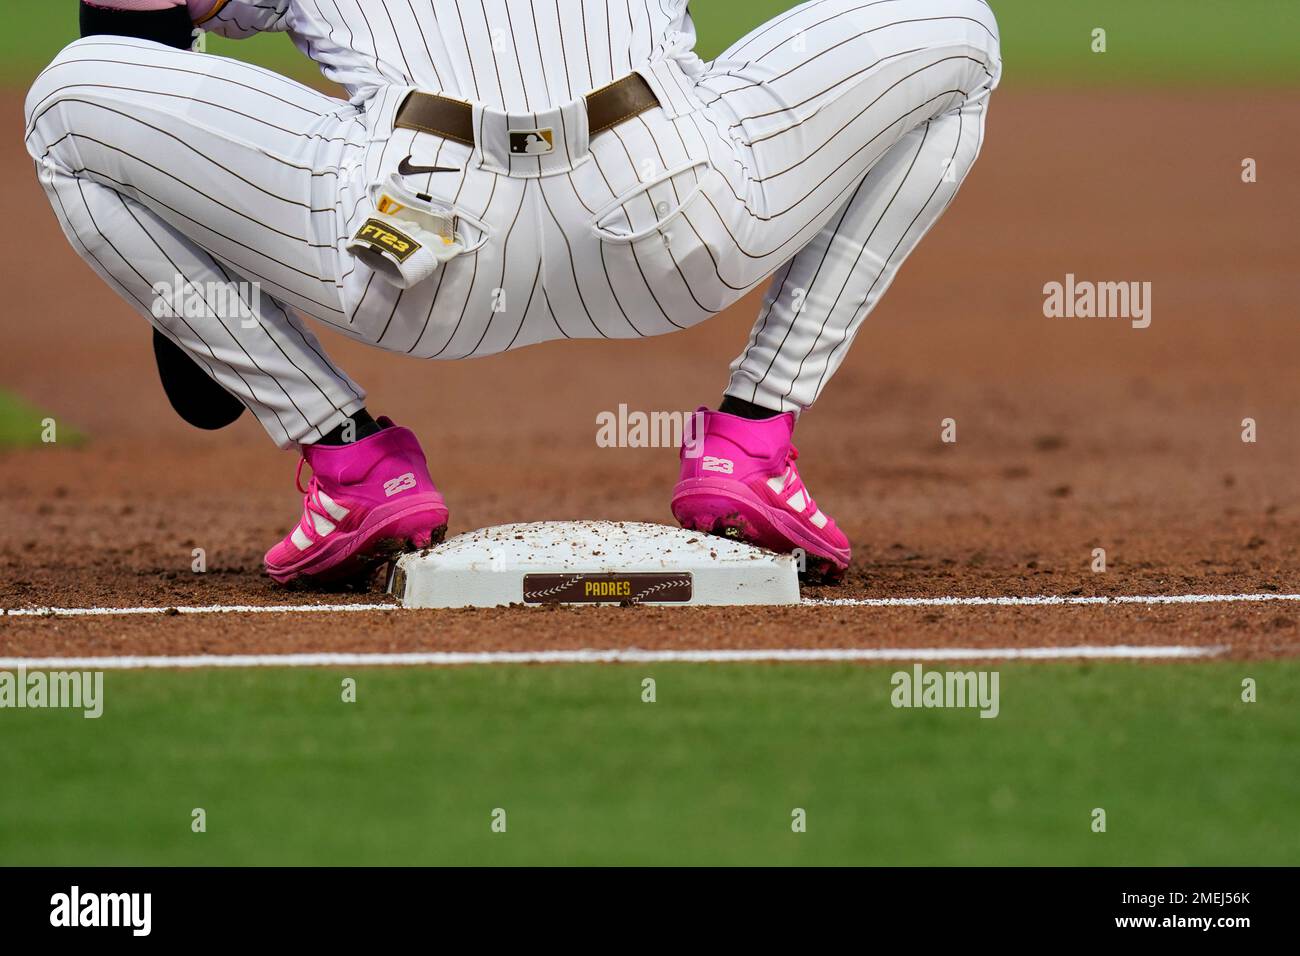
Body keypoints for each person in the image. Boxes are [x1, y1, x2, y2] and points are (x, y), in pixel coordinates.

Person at [25, 0, 1001, 584]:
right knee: (961, 32)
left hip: (417, 246)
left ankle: (347, 459)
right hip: (675, 211)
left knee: (66, 103)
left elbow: (141, 15)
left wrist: (190, 264)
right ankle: (755, 436)